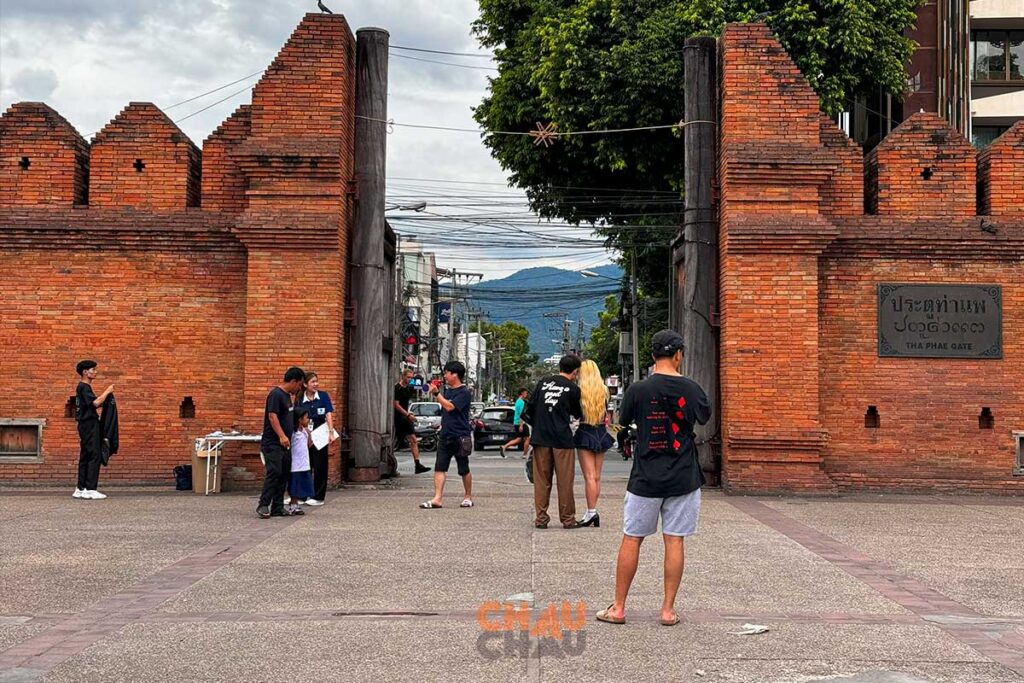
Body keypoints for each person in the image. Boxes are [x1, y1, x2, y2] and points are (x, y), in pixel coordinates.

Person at [596, 330, 711, 627]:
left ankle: (618, 608)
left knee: (632, 538)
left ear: (652, 356)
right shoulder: (692, 388)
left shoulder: (638, 389)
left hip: (646, 475)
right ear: (678, 355)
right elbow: (703, 418)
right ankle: (667, 610)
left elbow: (625, 420)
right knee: (674, 540)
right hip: (683, 475)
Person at [526, 354, 583, 529]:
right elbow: (577, 413)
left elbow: (529, 410)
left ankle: (541, 519)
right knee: (565, 481)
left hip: (540, 437)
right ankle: (567, 519)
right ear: (575, 371)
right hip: (562, 439)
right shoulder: (573, 389)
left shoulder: (543, 382)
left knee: (542, 480)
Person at [419, 360, 473, 509]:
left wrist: (437, 394)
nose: (445, 376)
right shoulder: (448, 391)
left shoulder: (464, 393)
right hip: (445, 434)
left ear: (455, 374)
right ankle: (437, 498)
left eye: (447, 373)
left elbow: (450, 407)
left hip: (460, 435)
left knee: (463, 468)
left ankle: (467, 496)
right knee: (440, 467)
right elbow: (445, 410)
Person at [257, 366, 305, 519]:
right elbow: (272, 416)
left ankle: (277, 506)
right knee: (275, 472)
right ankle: (263, 504)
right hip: (273, 443)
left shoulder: (287, 397)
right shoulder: (276, 394)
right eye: (299, 385)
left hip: (286, 444)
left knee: (284, 473)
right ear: (293, 381)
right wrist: (282, 435)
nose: (299, 389)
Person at [575, 359, 614, 527]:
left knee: (589, 477)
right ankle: (592, 510)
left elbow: (576, 415)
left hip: (585, 431)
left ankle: (591, 512)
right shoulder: (604, 390)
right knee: (597, 477)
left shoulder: (579, 392)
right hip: (601, 431)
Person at [73, 360, 114, 500]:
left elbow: (89, 405)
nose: (95, 372)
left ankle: (80, 488)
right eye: (93, 369)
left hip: (84, 424)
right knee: (94, 454)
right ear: (85, 372)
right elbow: (95, 403)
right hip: (89, 424)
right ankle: (90, 489)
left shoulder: (82, 387)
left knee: (85, 455)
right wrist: (107, 391)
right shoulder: (84, 387)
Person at [298, 371, 335, 506]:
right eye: (313, 382)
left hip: (320, 432)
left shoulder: (323, 396)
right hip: (305, 432)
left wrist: (330, 432)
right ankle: (301, 495)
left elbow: (328, 414)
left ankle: (318, 496)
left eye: (316, 381)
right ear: (305, 384)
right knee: (304, 464)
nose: (316, 384)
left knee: (320, 465)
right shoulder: (300, 397)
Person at [394, 368, 431, 474]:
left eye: (411, 377)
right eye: (408, 377)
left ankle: (417, 464)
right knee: (410, 440)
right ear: (403, 376)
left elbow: (422, 388)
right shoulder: (397, 388)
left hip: (406, 416)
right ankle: (417, 464)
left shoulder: (409, 388)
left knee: (413, 440)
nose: (409, 379)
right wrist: (408, 414)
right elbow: (396, 404)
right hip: (400, 417)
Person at [286, 407, 314, 516]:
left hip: (304, 463)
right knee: (295, 485)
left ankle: (296, 504)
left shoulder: (304, 431)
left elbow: (309, 445)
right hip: (295, 464)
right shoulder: (293, 432)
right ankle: (293, 505)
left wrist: (310, 434)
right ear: (299, 419)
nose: (308, 420)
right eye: (306, 418)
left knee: (302, 485)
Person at [500, 388, 531, 459]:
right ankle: (525, 454)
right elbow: (521, 414)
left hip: (516, 422)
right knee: (527, 439)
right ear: (522, 393)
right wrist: (521, 425)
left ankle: (504, 446)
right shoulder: (521, 402)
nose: (526, 394)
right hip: (521, 422)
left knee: (519, 439)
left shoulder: (517, 401)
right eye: (525, 393)